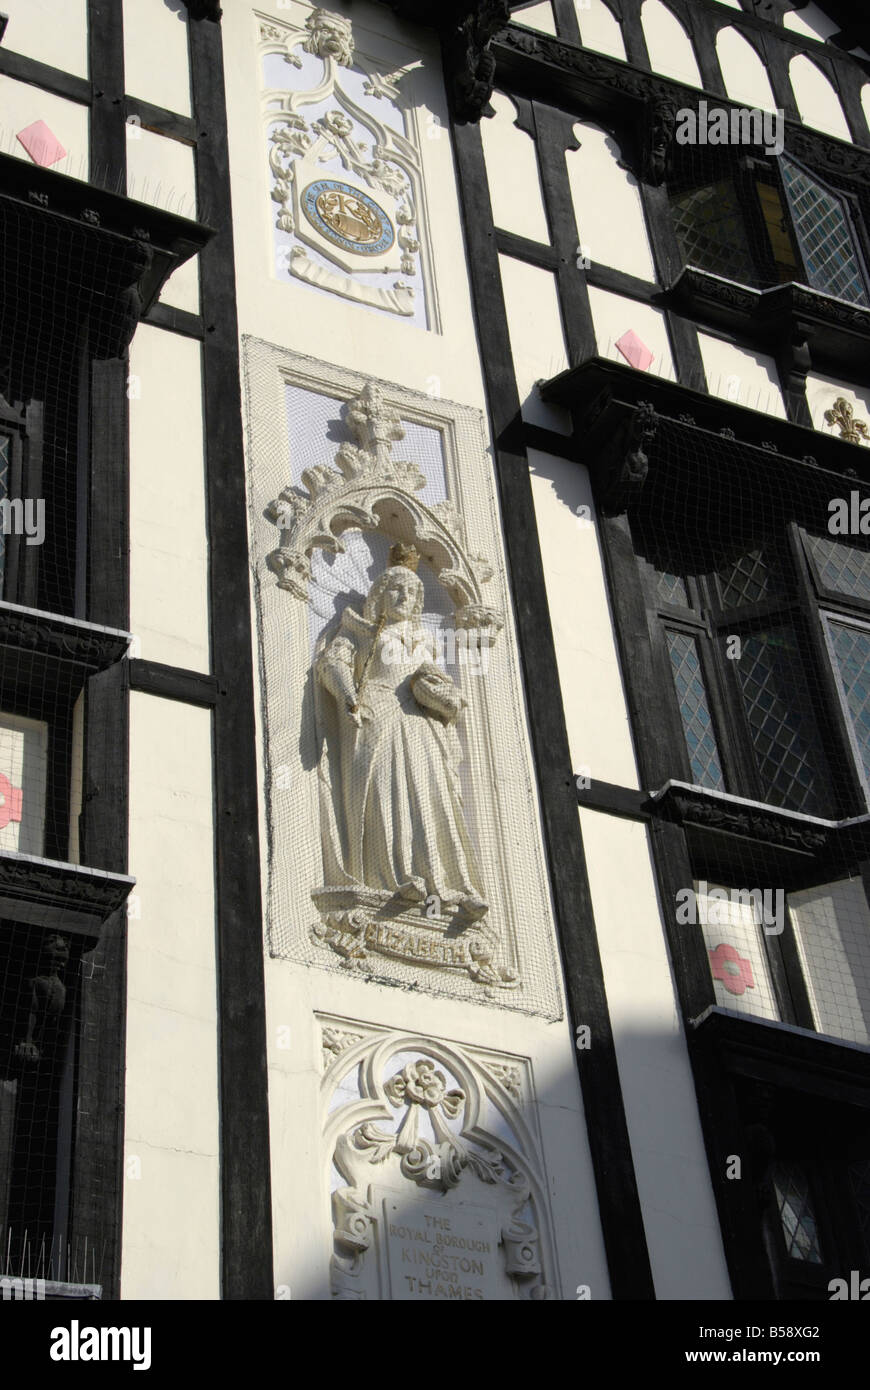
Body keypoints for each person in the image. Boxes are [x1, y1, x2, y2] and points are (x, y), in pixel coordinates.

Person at [314, 543, 487, 921]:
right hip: (375, 713)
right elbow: (333, 663)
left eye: (412, 592)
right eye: (396, 589)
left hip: (417, 723)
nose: (405, 597)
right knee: (382, 794)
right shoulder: (359, 630)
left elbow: (434, 682)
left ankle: (442, 886)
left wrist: (446, 698)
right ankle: (391, 877)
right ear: (379, 594)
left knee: (427, 798)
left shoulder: (422, 640)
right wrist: (348, 696)